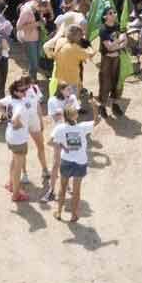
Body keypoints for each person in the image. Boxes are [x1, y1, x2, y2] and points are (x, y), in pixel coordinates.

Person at [50, 96, 93, 224]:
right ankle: (74, 215)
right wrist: (95, 107)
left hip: (66, 161)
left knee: (62, 187)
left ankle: (58, 212)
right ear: (75, 116)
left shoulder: (60, 128)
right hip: (80, 162)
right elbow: (97, 120)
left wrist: (63, 146)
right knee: (76, 190)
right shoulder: (82, 127)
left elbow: (50, 142)